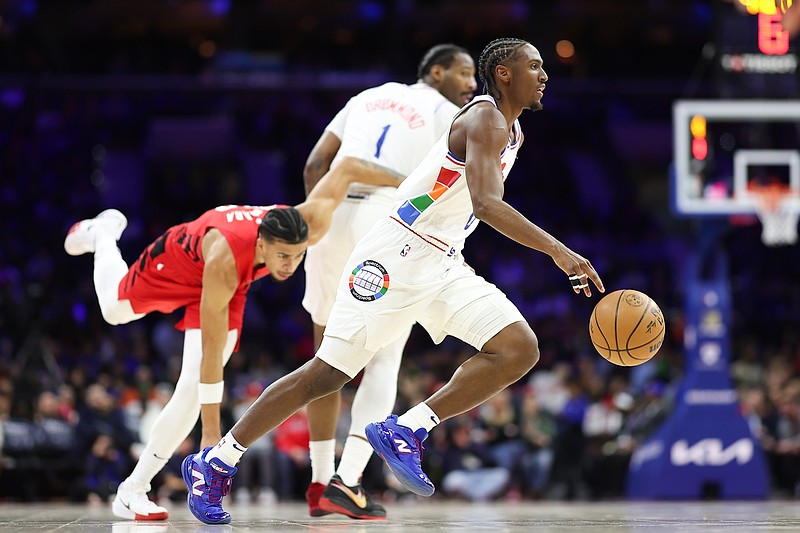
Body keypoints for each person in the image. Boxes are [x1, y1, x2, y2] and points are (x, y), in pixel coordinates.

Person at [182, 37, 603, 526]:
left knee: (518, 348)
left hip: (442, 260)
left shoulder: (513, 131)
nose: (544, 74)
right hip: (396, 254)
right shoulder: (483, 117)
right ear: (504, 73)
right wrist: (560, 251)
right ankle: (215, 461)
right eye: (534, 65)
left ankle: (409, 429)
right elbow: (487, 205)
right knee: (328, 373)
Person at [63, 156, 401, 521]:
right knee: (116, 311)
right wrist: (211, 437)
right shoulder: (226, 258)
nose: (289, 265)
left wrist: (414, 180)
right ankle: (104, 234)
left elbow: (347, 169)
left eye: (297, 256)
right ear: (262, 245)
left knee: (191, 390)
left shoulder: (309, 223)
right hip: (183, 261)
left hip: (231, 282)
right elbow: (210, 352)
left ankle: (133, 489)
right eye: (282, 256)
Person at [300, 43, 476, 520]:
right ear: (435, 72)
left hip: (330, 210)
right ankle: (349, 481)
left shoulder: (366, 96)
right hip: (385, 218)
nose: (472, 84)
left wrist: (320, 217)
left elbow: (316, 165)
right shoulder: (451, 112)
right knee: (382, 358)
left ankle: (318, 482)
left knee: (326, 355)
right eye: (463, 73)